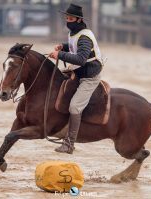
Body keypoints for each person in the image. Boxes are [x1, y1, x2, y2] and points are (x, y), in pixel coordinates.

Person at [49, 3, 103, 154]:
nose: (68, 21)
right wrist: (63, 46)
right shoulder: (75, 33)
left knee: (74, 107)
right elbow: (74, 47)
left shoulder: (84, 36)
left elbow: (80, 58)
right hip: (79, 73)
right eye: (67, 18)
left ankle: (69, 144)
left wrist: (59, 55)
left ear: (78, 20)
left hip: (89, 77)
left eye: (70, 18)